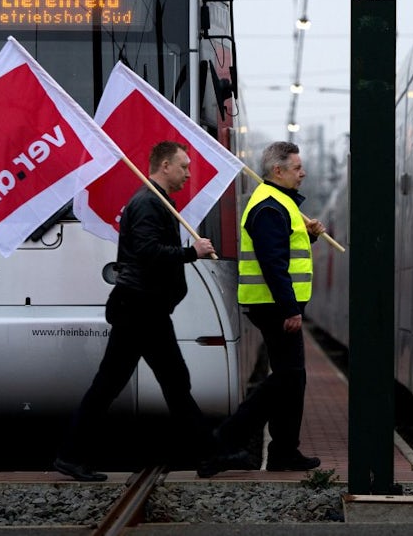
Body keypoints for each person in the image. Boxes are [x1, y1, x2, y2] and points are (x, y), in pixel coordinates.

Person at [53, 140, 217, 482]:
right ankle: (210, 454)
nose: (188, 173)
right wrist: (192, 253)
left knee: (166, 382)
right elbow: (146, 251)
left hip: (145, 307)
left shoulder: (156, 203)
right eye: (184, 166)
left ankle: (210, 454)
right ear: (165, 166)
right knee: (132, 384)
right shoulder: (146, 204)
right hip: (140, 308)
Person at [198, 140, 326, 477]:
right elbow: (273, 263)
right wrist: (290, 309)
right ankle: (226, 440)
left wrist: (308, 236)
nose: (303, 173)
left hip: (274, 304)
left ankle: (284, 450)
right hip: (274, 306)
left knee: (291, 378)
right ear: (278, 171)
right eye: (297, 168)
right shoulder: (269, 206)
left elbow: (284, 250)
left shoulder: (278, 203)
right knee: (287, 377)